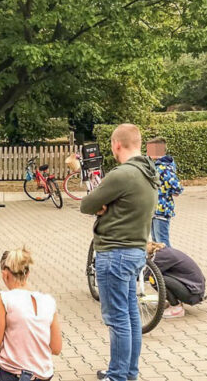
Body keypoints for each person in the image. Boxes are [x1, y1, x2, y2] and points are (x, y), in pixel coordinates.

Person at [80, 124, 158, 381]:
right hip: (135, 251)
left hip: (115, 253)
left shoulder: (122, 174)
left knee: (117, 319)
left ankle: (118, 377)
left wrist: (103, 206)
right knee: (131, 316)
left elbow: (87, 204)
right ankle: (126, 372)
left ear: (116, 144)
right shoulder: (148, 172)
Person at [0, 248, 61, 381]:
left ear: (5, 274)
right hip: (44, 375)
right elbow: (56, 348)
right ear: (28, 273)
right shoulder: (49, 301)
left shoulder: (4, 299)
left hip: (12, 376)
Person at [148, 242, 206, 318]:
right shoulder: (163, 252)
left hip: (193, 294)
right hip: (195, 290)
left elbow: (147, 274)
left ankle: (176, 307)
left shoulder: (162, 256)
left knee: (155, 278)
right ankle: (173, 302)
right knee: (159, 276)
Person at [146, 137, 184, 247]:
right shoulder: (158, 165)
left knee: (162, 242)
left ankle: (169, 263)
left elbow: (175, 185)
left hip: (161, 210)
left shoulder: (163, 167)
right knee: (156, 242)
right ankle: (159, 263)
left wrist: (175, 191)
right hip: (155, 210)